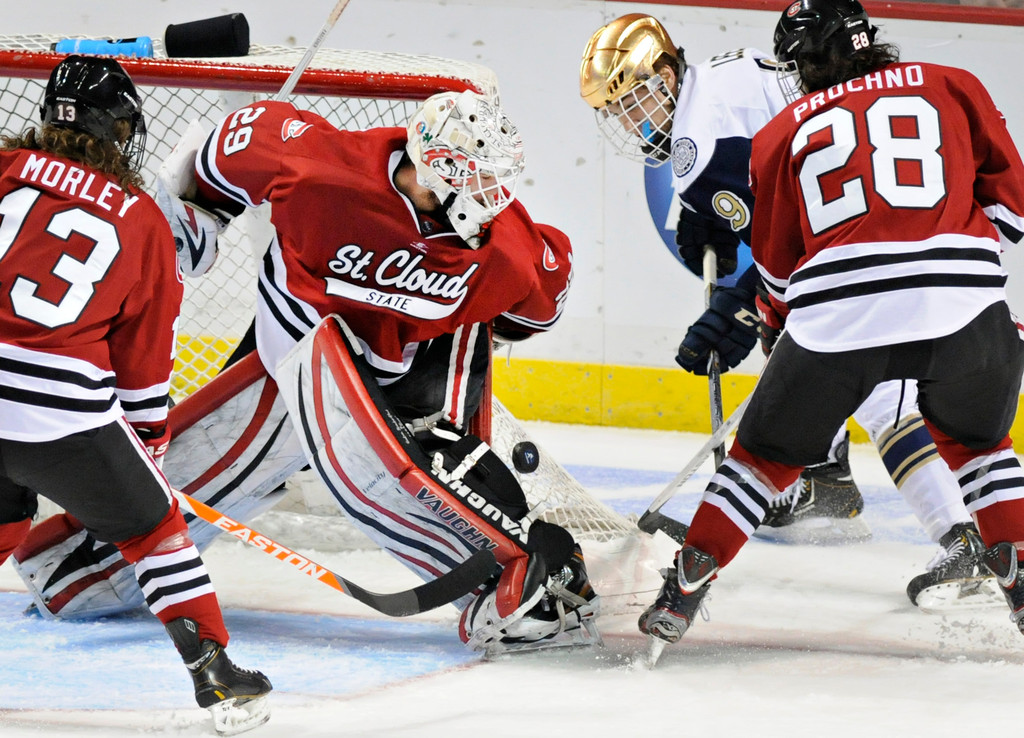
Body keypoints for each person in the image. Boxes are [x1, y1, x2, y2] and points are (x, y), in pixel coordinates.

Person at [14, 88, 598, 656]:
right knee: (133, 533)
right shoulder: (314, 163)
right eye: (478, 178)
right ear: (435, 169)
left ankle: (508, 577)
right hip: (286, 352)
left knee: (389, 470)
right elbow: (215, 156)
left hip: (392, 378)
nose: (493, 197)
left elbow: (536, 306)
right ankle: (72, 574)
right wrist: (194, 216)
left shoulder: (508, 247)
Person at [635, 0, 1024, 647]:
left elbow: (781, 274)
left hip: (842, 319)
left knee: (761, 461)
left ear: (799, 64)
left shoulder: (784, 128)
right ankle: (1014, 570)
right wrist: (959, 269)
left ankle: (688, 578)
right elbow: (1012, 203)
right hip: (966, 304)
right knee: (982, 447)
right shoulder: (952, 83)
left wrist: (768, 320)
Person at [0, 56, 271, 734]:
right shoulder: (145, 220)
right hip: (59, 409)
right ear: (120, 132)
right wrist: (148, 440)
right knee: (154, 533)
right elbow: (143, 357)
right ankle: (215, 674)